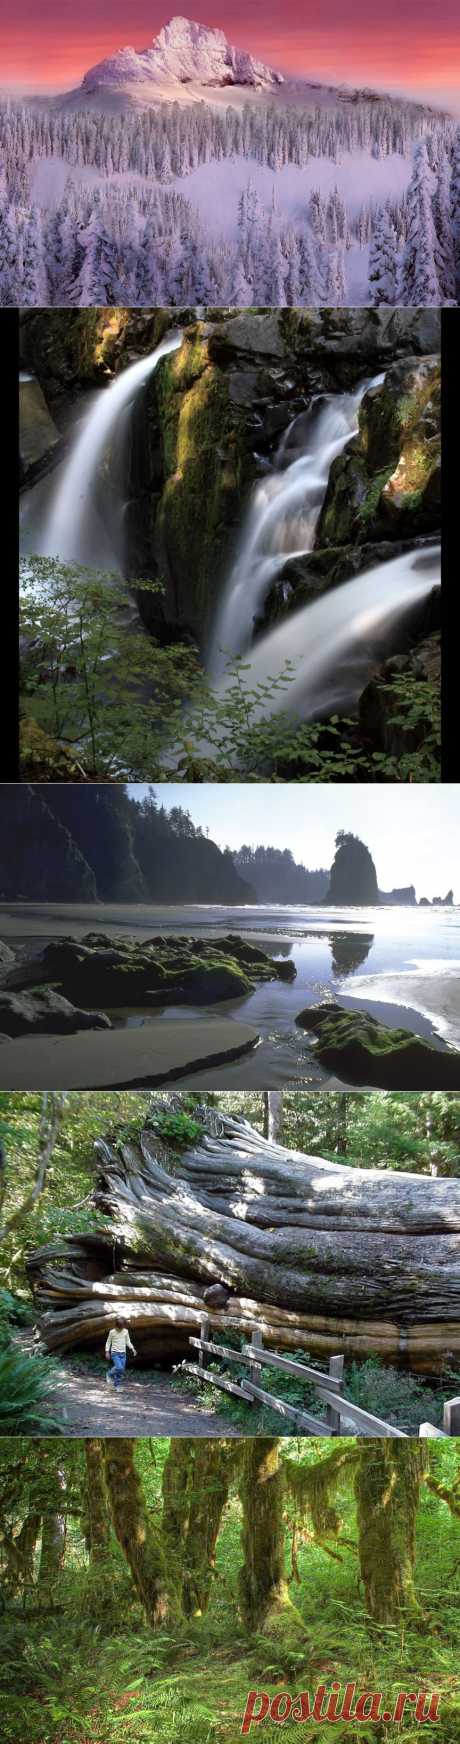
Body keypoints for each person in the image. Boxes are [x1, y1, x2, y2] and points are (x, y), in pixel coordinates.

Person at [105, 1315, 137, 1388]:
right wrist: (107, 1352)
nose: (120, 1329)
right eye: (118, 1327)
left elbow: (128, 1341)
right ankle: (109, 1374)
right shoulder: (112, 1332)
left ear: (124, 1326)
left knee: (121, 1370)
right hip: (115, 1353)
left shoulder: (126, 1331)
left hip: (123, 1354)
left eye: (121, 1327)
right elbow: (108, 1342)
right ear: (116, 1325)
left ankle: (117, 1385)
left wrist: (132, 1348)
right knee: (119, 1368)